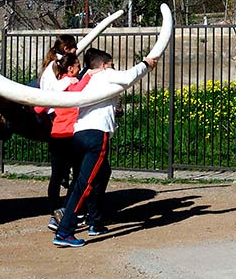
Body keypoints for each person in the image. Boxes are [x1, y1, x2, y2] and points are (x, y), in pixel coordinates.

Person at [52, 49, 157, 248]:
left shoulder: (87, 80)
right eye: (110, 64)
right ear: (103, 65)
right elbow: (128, 77)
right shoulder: (105, 74)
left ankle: (96, 223)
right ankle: (64, 231)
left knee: (100, 174)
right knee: (85, 183)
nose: (112, 67)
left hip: (79, 133)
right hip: (96, 135)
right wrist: (145, 64)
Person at [37, 34, 78, 224]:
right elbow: (52, 92)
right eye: (73, 48)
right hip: (57, 117)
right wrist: (69, 81)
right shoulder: (54, 68)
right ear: (67, 49)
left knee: (63, 168)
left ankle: (63, 206)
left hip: (60, 117)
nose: (76, 51)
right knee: (59, 169)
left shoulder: (56, 65)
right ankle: (56, 209)